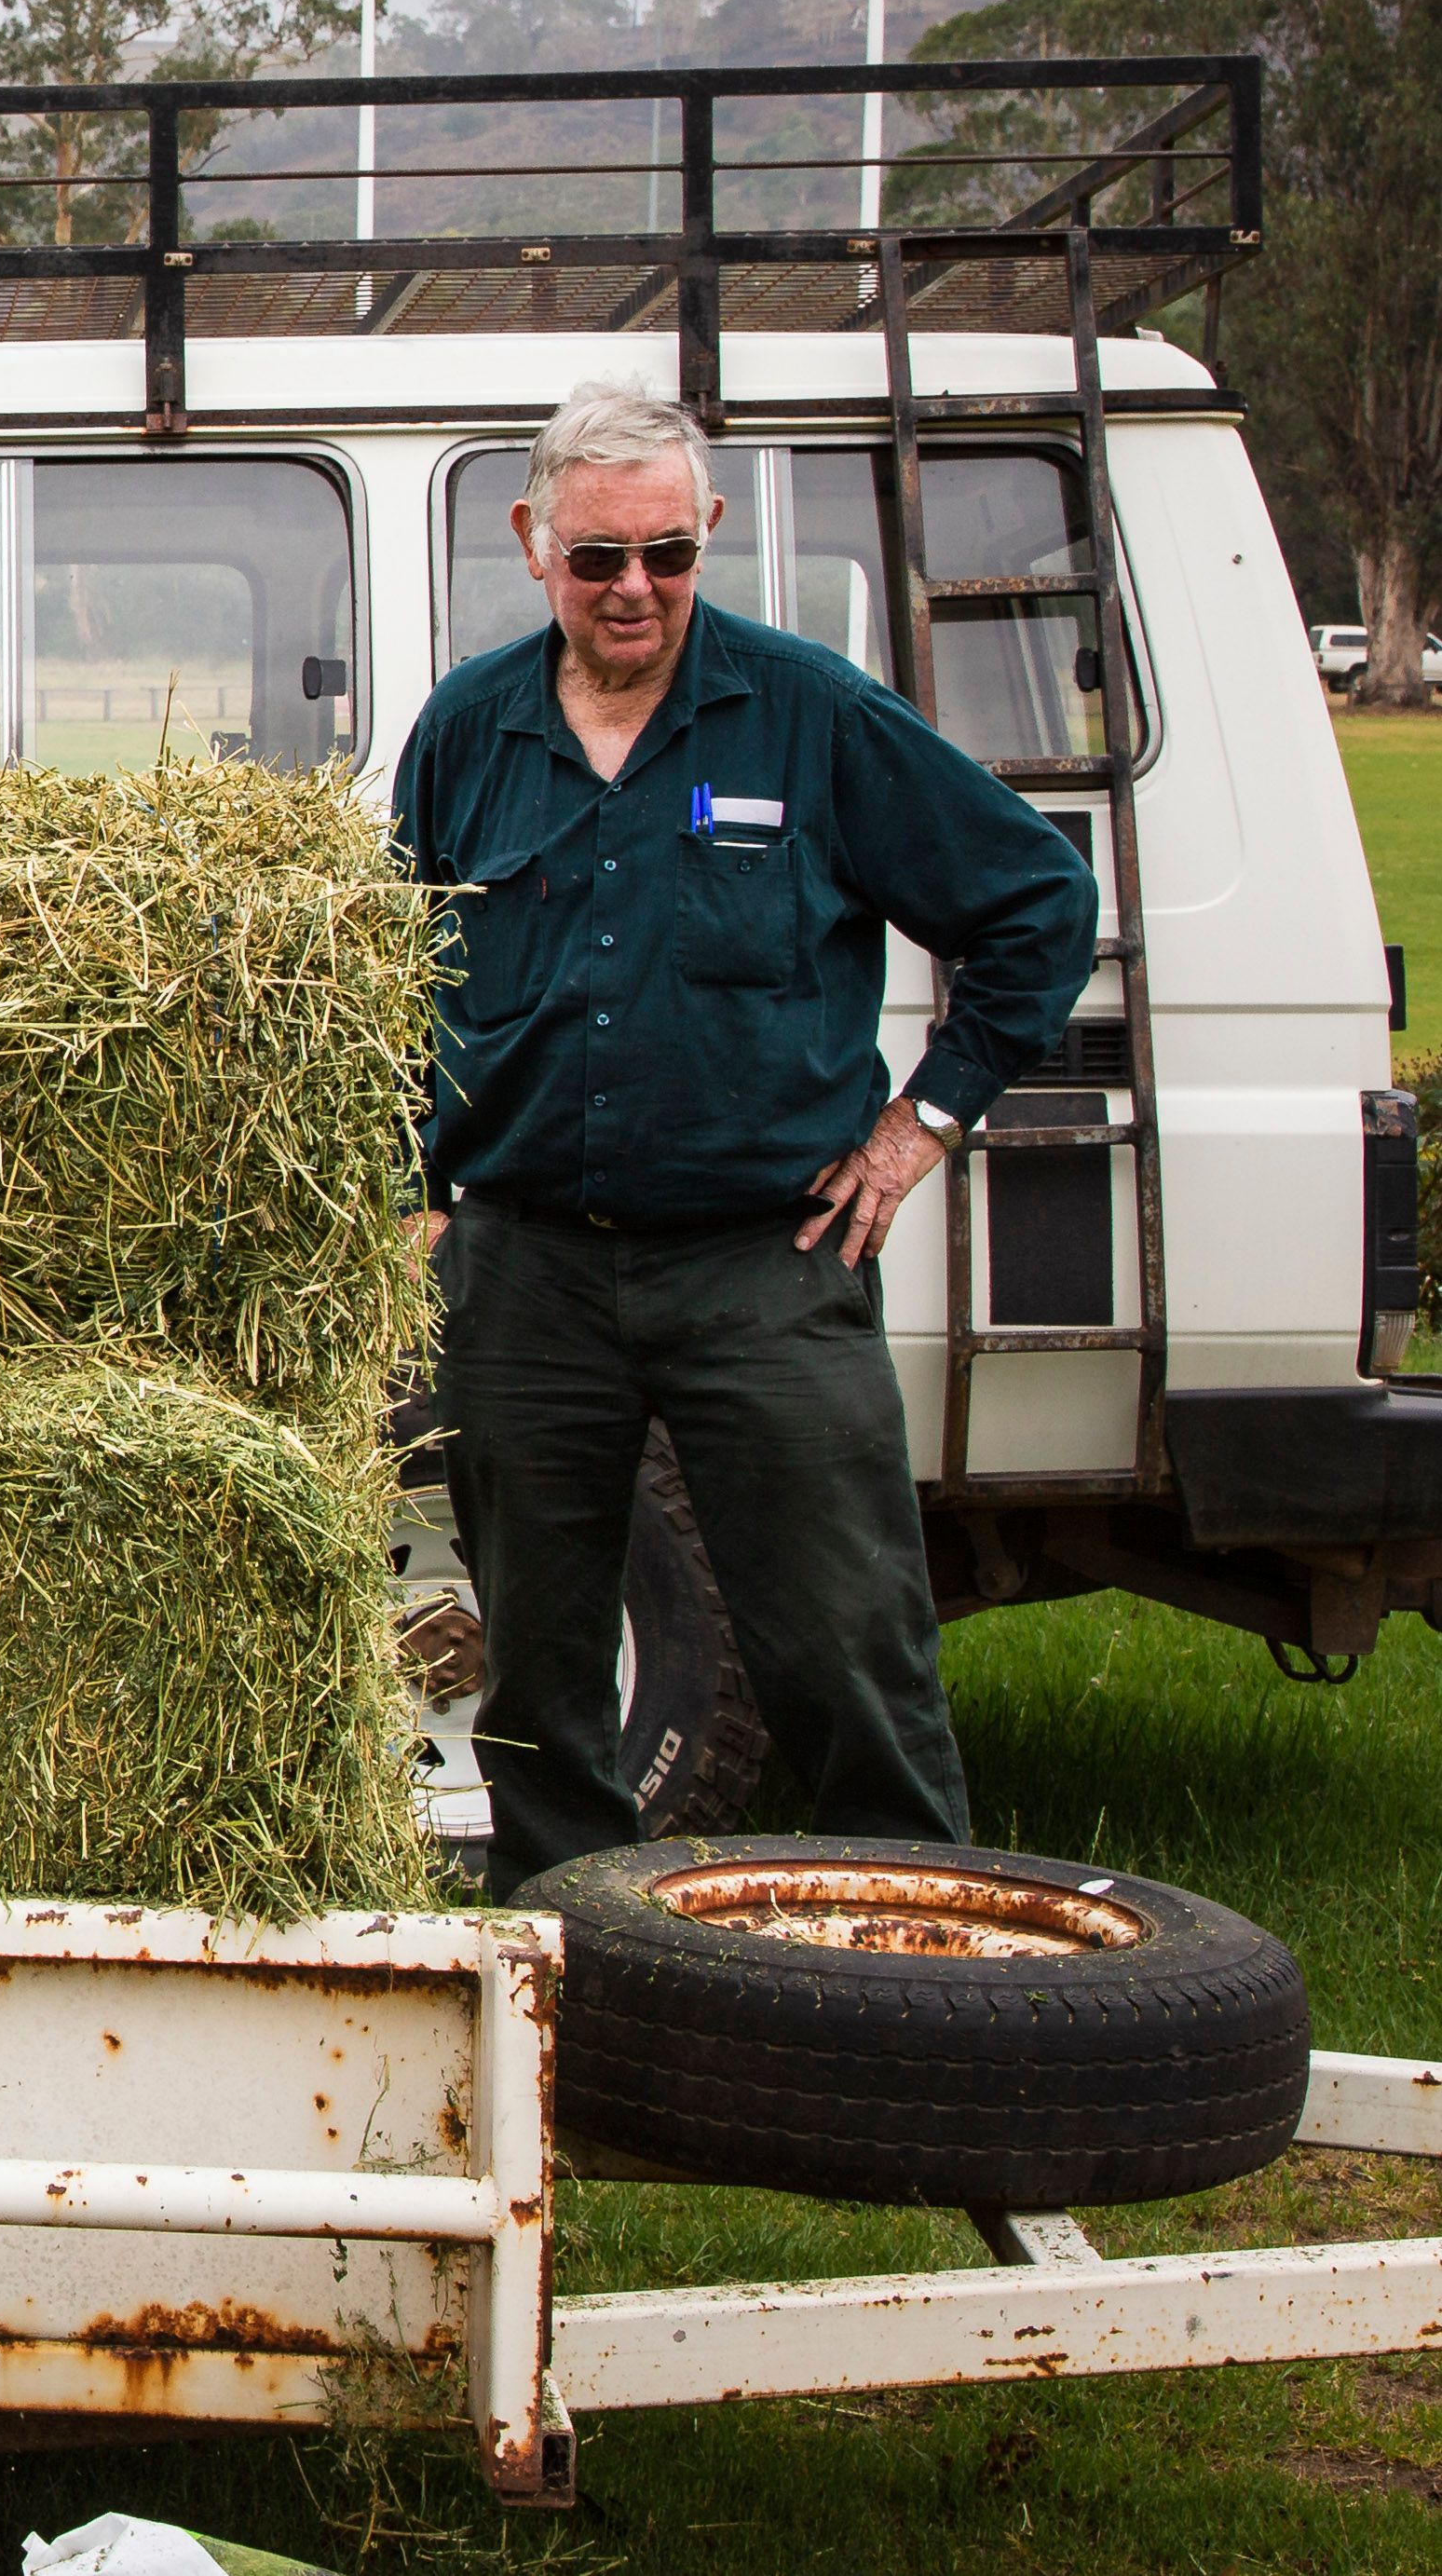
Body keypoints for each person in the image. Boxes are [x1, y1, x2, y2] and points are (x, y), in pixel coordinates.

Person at [396, 378, 1099, 1888]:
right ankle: (570, 1981)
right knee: (534, 1675)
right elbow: (396, 982)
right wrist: (416, 1188)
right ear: (531, 544)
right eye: (597, 559)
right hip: (527, 1277)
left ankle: (905, 1973)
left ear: (708, 532)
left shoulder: (814, 715)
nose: (634, 587)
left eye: (667, 552)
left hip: (768, 1264)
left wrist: (921, 1126)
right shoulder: (466, 734)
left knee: (844, 1647)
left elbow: (1039, 904)